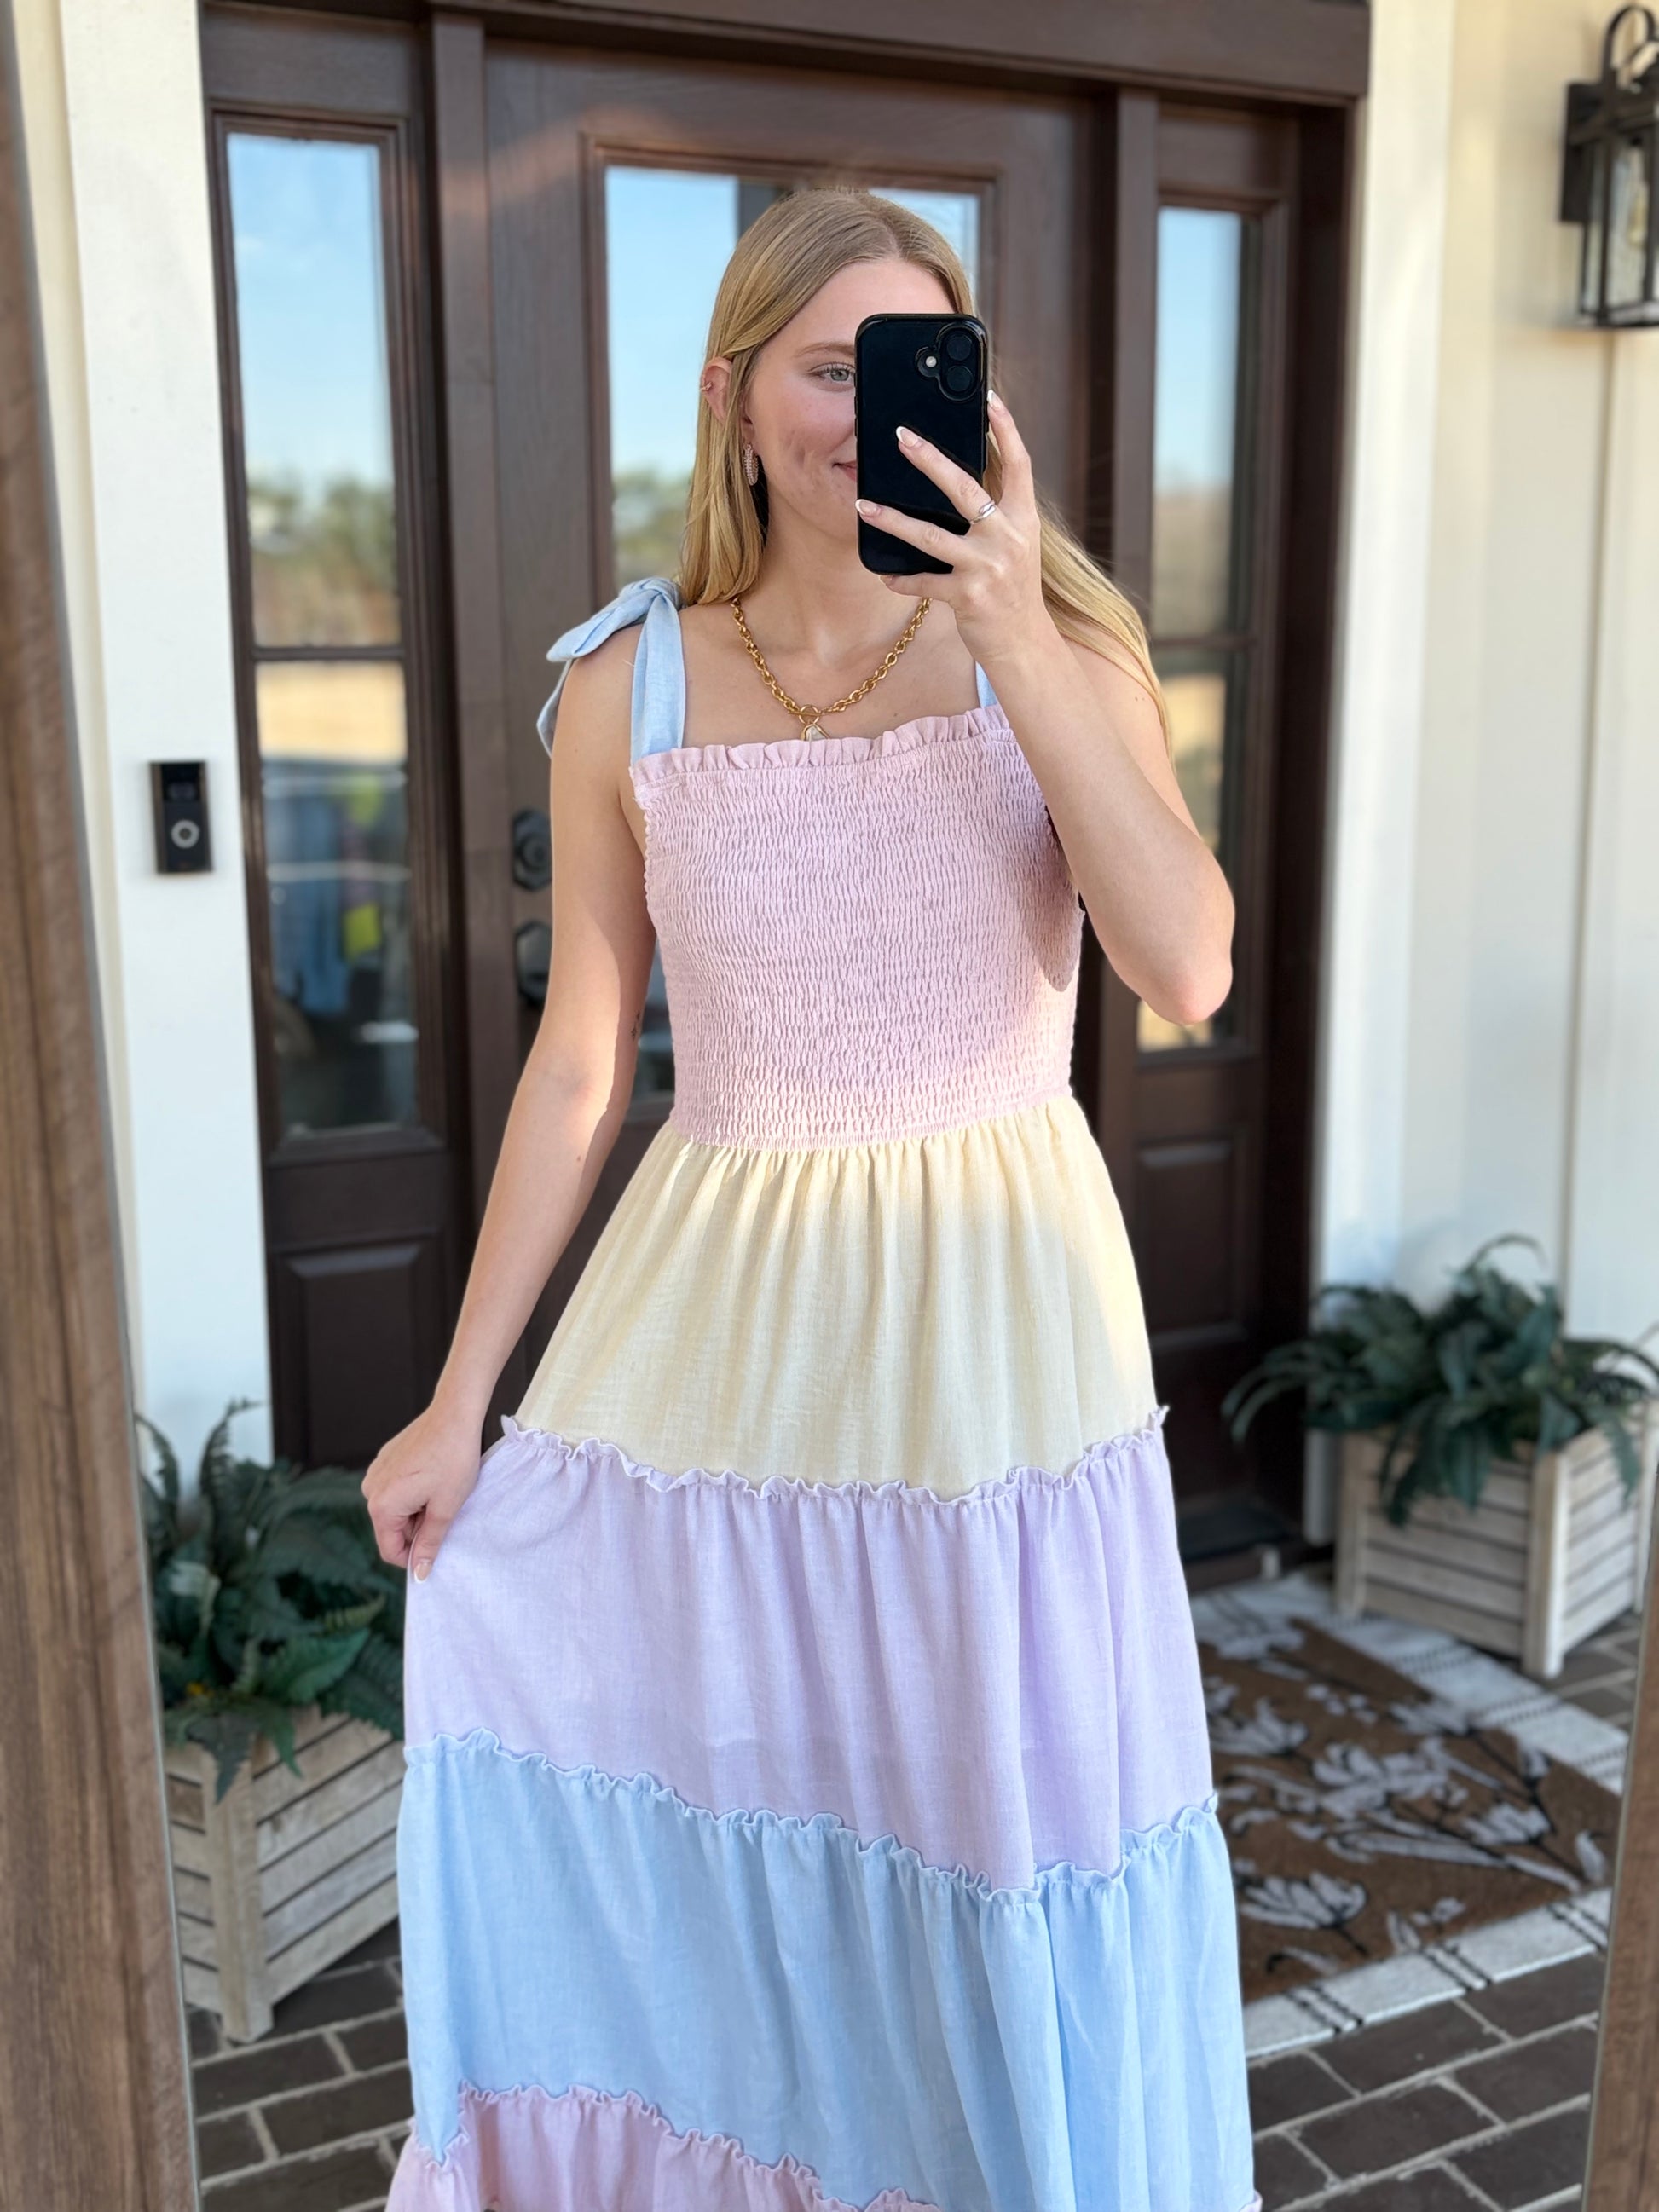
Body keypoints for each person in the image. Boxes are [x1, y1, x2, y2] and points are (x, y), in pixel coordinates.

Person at [371, 186, 1259, 2212]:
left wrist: (1015, 631)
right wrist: (457, 1396)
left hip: (993, 1336)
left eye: (912, 362)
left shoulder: (1057, 649)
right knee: (734, 1831)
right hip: (722, 1335)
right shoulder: (632, 680)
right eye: (825, 366)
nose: (869, 409)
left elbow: (1188, 965)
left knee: (987, 1835)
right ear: (731, 399)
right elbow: (581, 1063)